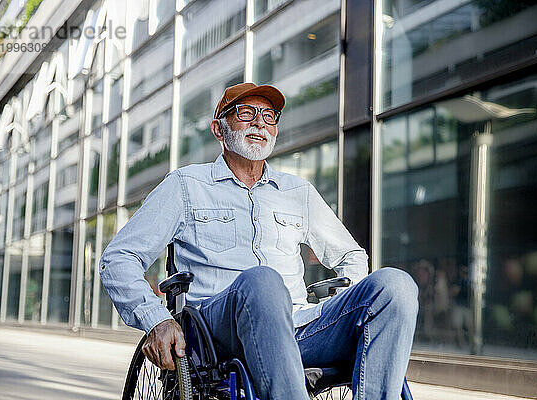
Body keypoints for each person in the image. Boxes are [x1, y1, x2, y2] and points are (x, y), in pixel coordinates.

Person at [100, 82, 418, 400]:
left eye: (269, 116)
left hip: (299, 327)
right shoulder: (186, 186)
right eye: (247, 112)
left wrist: (342, 297)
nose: (259, 123)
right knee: (262, 281)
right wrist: (157, 320)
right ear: (219, 129)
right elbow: (118, 259)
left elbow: (351, 254)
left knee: (395, 286)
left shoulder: (298, 192)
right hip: (218, 334)